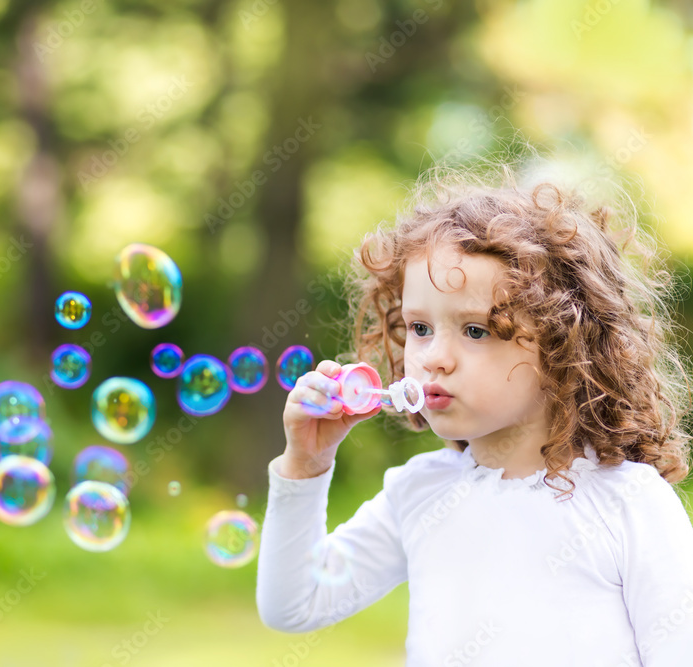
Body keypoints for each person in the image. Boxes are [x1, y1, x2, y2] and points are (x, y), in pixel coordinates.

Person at [256, 165, 693, 666]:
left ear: (563, 345)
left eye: (476, 331)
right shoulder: (420, 493)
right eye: (419, 327)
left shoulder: (628, 503)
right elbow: (294, 604)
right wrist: (304, 466)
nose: (434, 357)